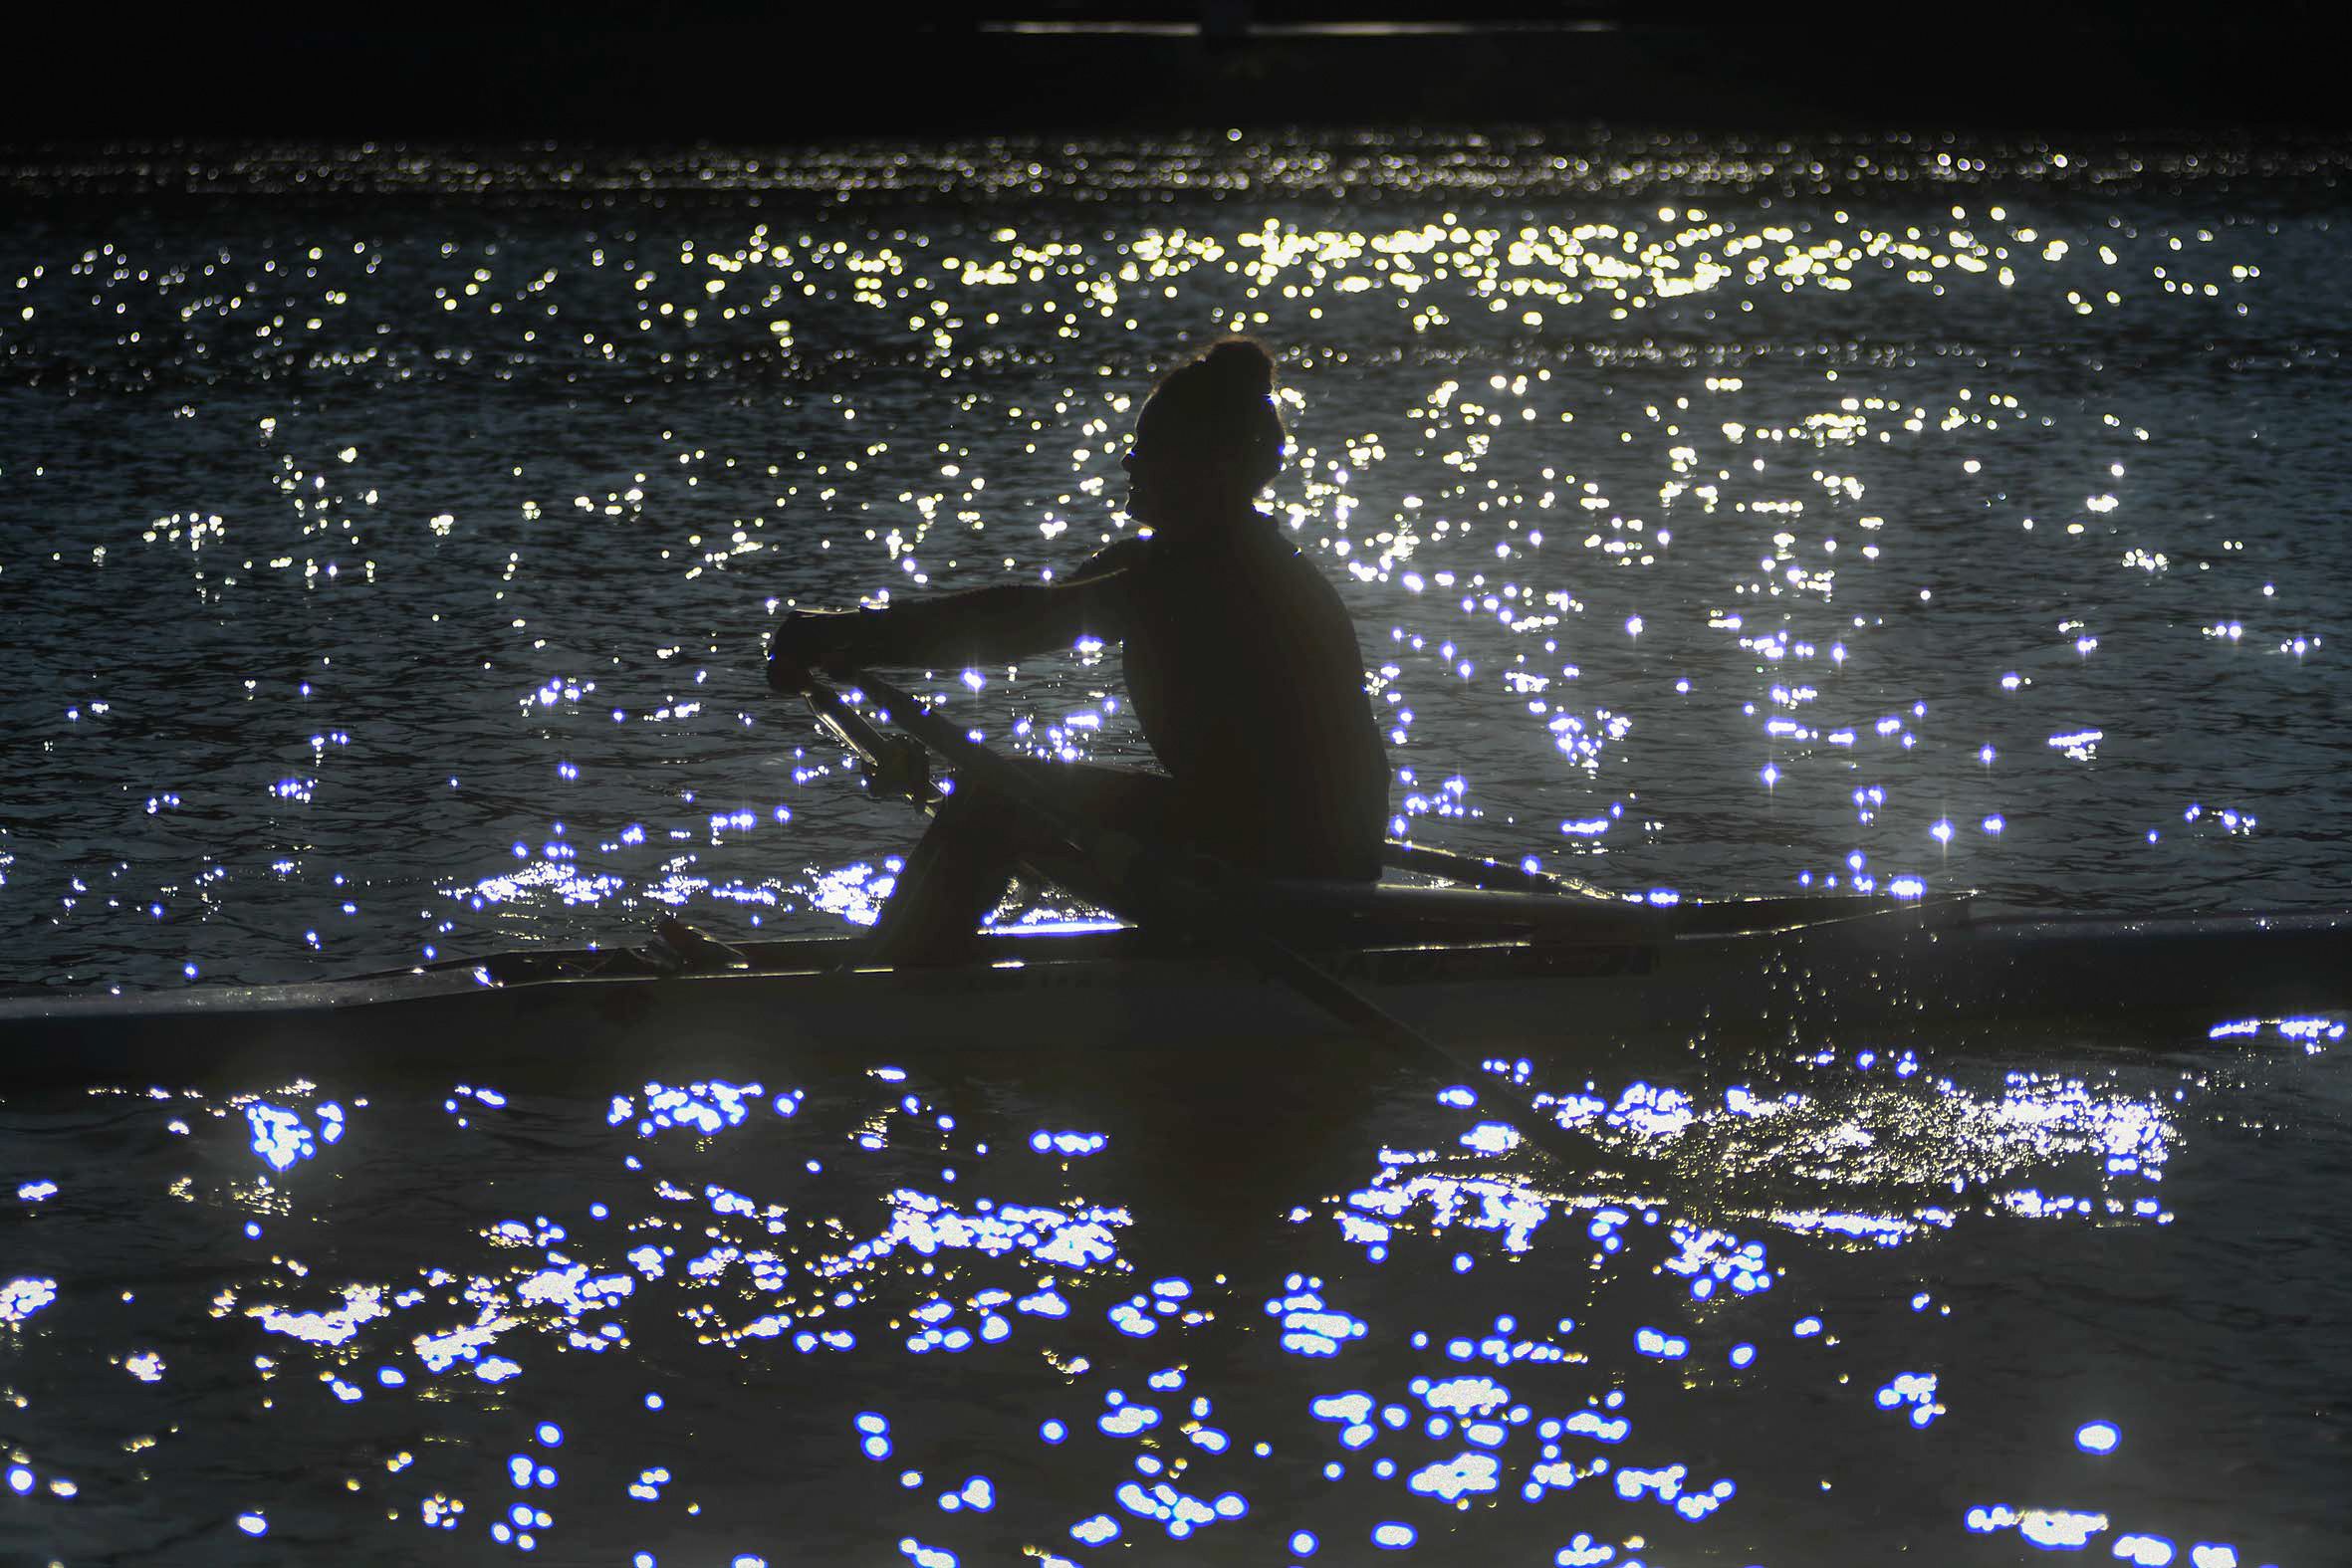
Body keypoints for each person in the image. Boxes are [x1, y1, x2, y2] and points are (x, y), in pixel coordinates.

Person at [765, 336, 1388, 963]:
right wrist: (859, 645)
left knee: (996, 797)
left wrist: (846, 631)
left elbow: (1022, 624)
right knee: (998, 794)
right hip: (1241, 835)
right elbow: (1024, 613)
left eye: (1150, 449)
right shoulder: (1154, 566)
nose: (1128, 463)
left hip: (1302, 867)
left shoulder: (1229, 572)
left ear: (1211, 465)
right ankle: (901, 963)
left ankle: (892, 986)